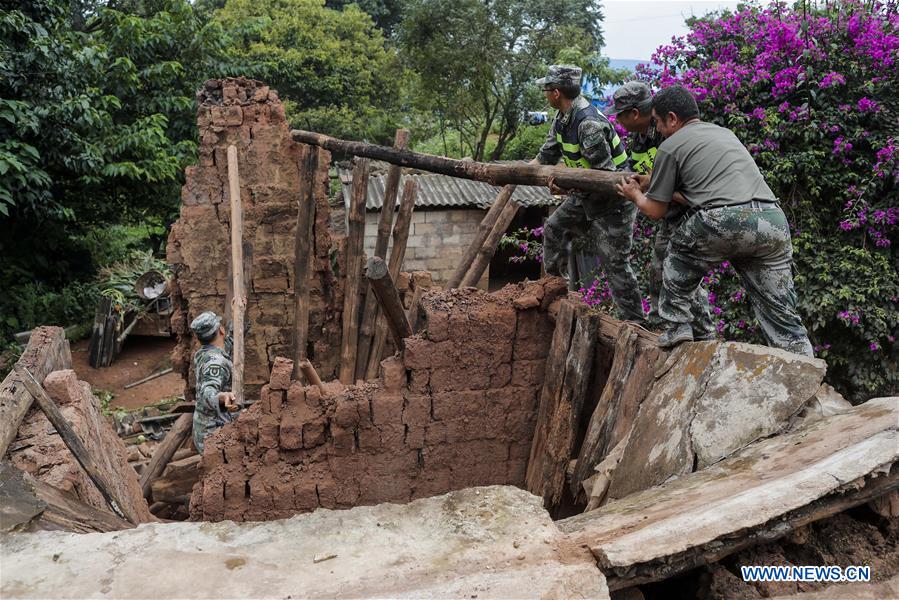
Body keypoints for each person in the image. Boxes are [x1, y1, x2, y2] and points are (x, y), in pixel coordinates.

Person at [615, 85, 814, 356]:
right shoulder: (724, 133)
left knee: (678, 252)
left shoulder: (671, 146)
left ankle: (676, 325)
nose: (658, 130)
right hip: (772, 222)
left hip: (726, 220)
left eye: (659, 123)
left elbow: (655, 211)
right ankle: (803, 365)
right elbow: (709, 185)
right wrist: (652, 180)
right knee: (780, 314)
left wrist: (635, 194)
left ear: (672, 118)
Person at [534, 65, 644, 322]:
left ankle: (635, 322)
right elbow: (543, 158)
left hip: (614, 200)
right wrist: (511, 176)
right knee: (554, 228)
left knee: (614, 263)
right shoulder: (562, 119)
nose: (545, 94)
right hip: (585, 194)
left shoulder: (588, 124)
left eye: (546, 90)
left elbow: (603, 179)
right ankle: (553, 288)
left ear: (556, 93)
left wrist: (567, 186)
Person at [608, 81, 714, 339]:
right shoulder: (640, 138)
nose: (618, 121)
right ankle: (663, 326)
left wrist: (649, 187)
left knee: (683, 276)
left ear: (634, 113)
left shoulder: (667, 133)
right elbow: (633, 172)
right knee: (658, 270)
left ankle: (703, 334)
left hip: (690, 213)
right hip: (669, 215)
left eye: (620, 115)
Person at [190, 311, 241, 452]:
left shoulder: (204, 353)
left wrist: (237, 314)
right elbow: (208, 391)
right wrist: (222, 396)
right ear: (221, 330)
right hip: (214, 434)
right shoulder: (216, 362)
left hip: (205, 428)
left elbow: (228, 347)